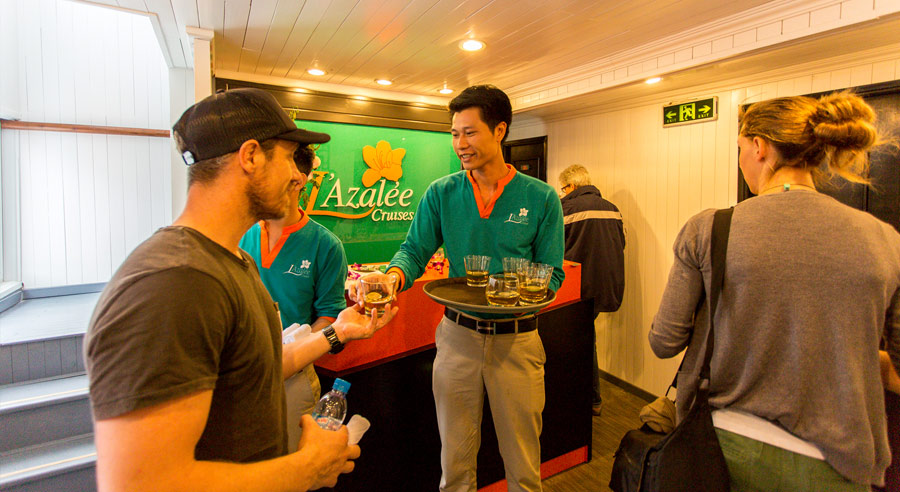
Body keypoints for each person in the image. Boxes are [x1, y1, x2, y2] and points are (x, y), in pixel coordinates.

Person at [84, 88, 396, 492]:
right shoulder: (173, 281)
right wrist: (309, 468)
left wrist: (340, 331)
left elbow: (261, 367)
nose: (298, 176)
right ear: (250, 156)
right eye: (289, 157)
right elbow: (141, 483)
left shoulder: (233, 261)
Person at [649, 91, 900, 491]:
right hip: (838, 462)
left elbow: (664, 341)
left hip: (722, 445)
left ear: (759, 147)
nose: (741, 160)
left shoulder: (709, 229)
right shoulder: (884, 239)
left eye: (740, 149)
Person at [354, 84, 564, 492]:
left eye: (469, 132)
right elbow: (414, 250)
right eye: (454, 134)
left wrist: (513, 295)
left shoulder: (540, 197)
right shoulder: (442, 192)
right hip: (456, 338)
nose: (460, 144)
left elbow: (551, 275)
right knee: (454, 466)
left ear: (499, 130)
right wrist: (393, 277)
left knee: (523, 467)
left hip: (517, 342)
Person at [239, 141, 348, 450]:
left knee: (292, 461)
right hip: (241, 370)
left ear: (297, 180)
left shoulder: (325, 245)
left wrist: (294, 351)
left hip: (294, 375)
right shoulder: (241, 232)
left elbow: (329, 316)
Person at [558, 164, 625, 417]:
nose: (562, 193)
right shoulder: (613, 209)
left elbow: (552, 249)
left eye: (562, 189)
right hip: (606, 284)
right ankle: (591, 398)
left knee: (576, 341)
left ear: (572, 186)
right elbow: (622, 244)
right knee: (586, 337)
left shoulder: (565, 210)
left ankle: (586, 399)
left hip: (576, 286)